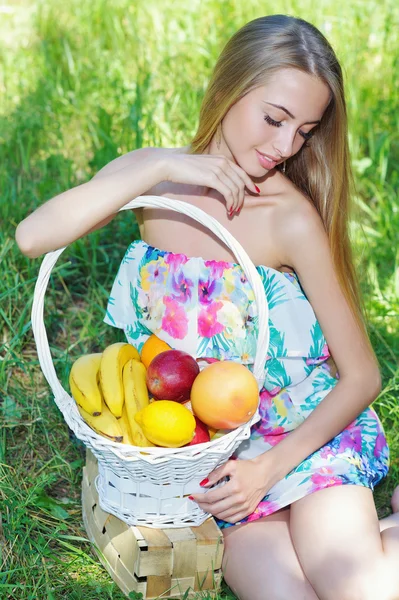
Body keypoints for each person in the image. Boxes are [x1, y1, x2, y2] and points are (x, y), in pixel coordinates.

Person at [15, 13, 399, 600]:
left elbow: (362, 374)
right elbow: (32, 237)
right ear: (228, 88)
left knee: (357, 587)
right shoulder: (153, 185)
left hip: (309, 435)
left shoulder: (287, 217)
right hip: (217, 453)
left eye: (303, 131)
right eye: (273, 119)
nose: (283, 146)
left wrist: (267, 470)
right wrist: (164, 165)